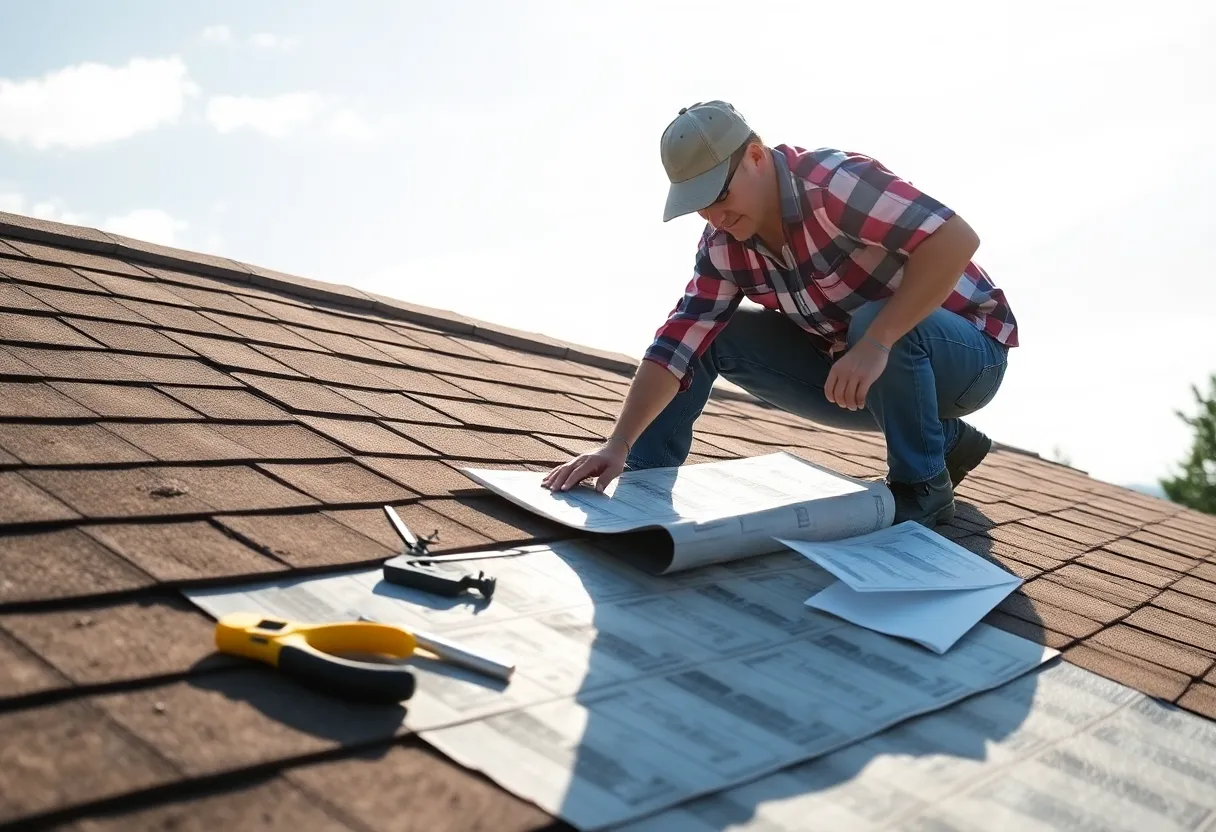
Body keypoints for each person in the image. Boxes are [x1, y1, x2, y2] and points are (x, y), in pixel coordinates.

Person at [542, 100, 1017, 527]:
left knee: (872, 322)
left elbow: (956, 239)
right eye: (701, 206)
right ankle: (645, 476)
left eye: (721, 196)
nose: (716, 217)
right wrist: (619, 443)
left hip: (968, 357)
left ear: (754, 155)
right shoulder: (723, 246)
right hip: (865, 370)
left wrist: (878, 340)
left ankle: (923, 489)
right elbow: (678, 342)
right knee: (715, 334)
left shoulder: (834, 183)